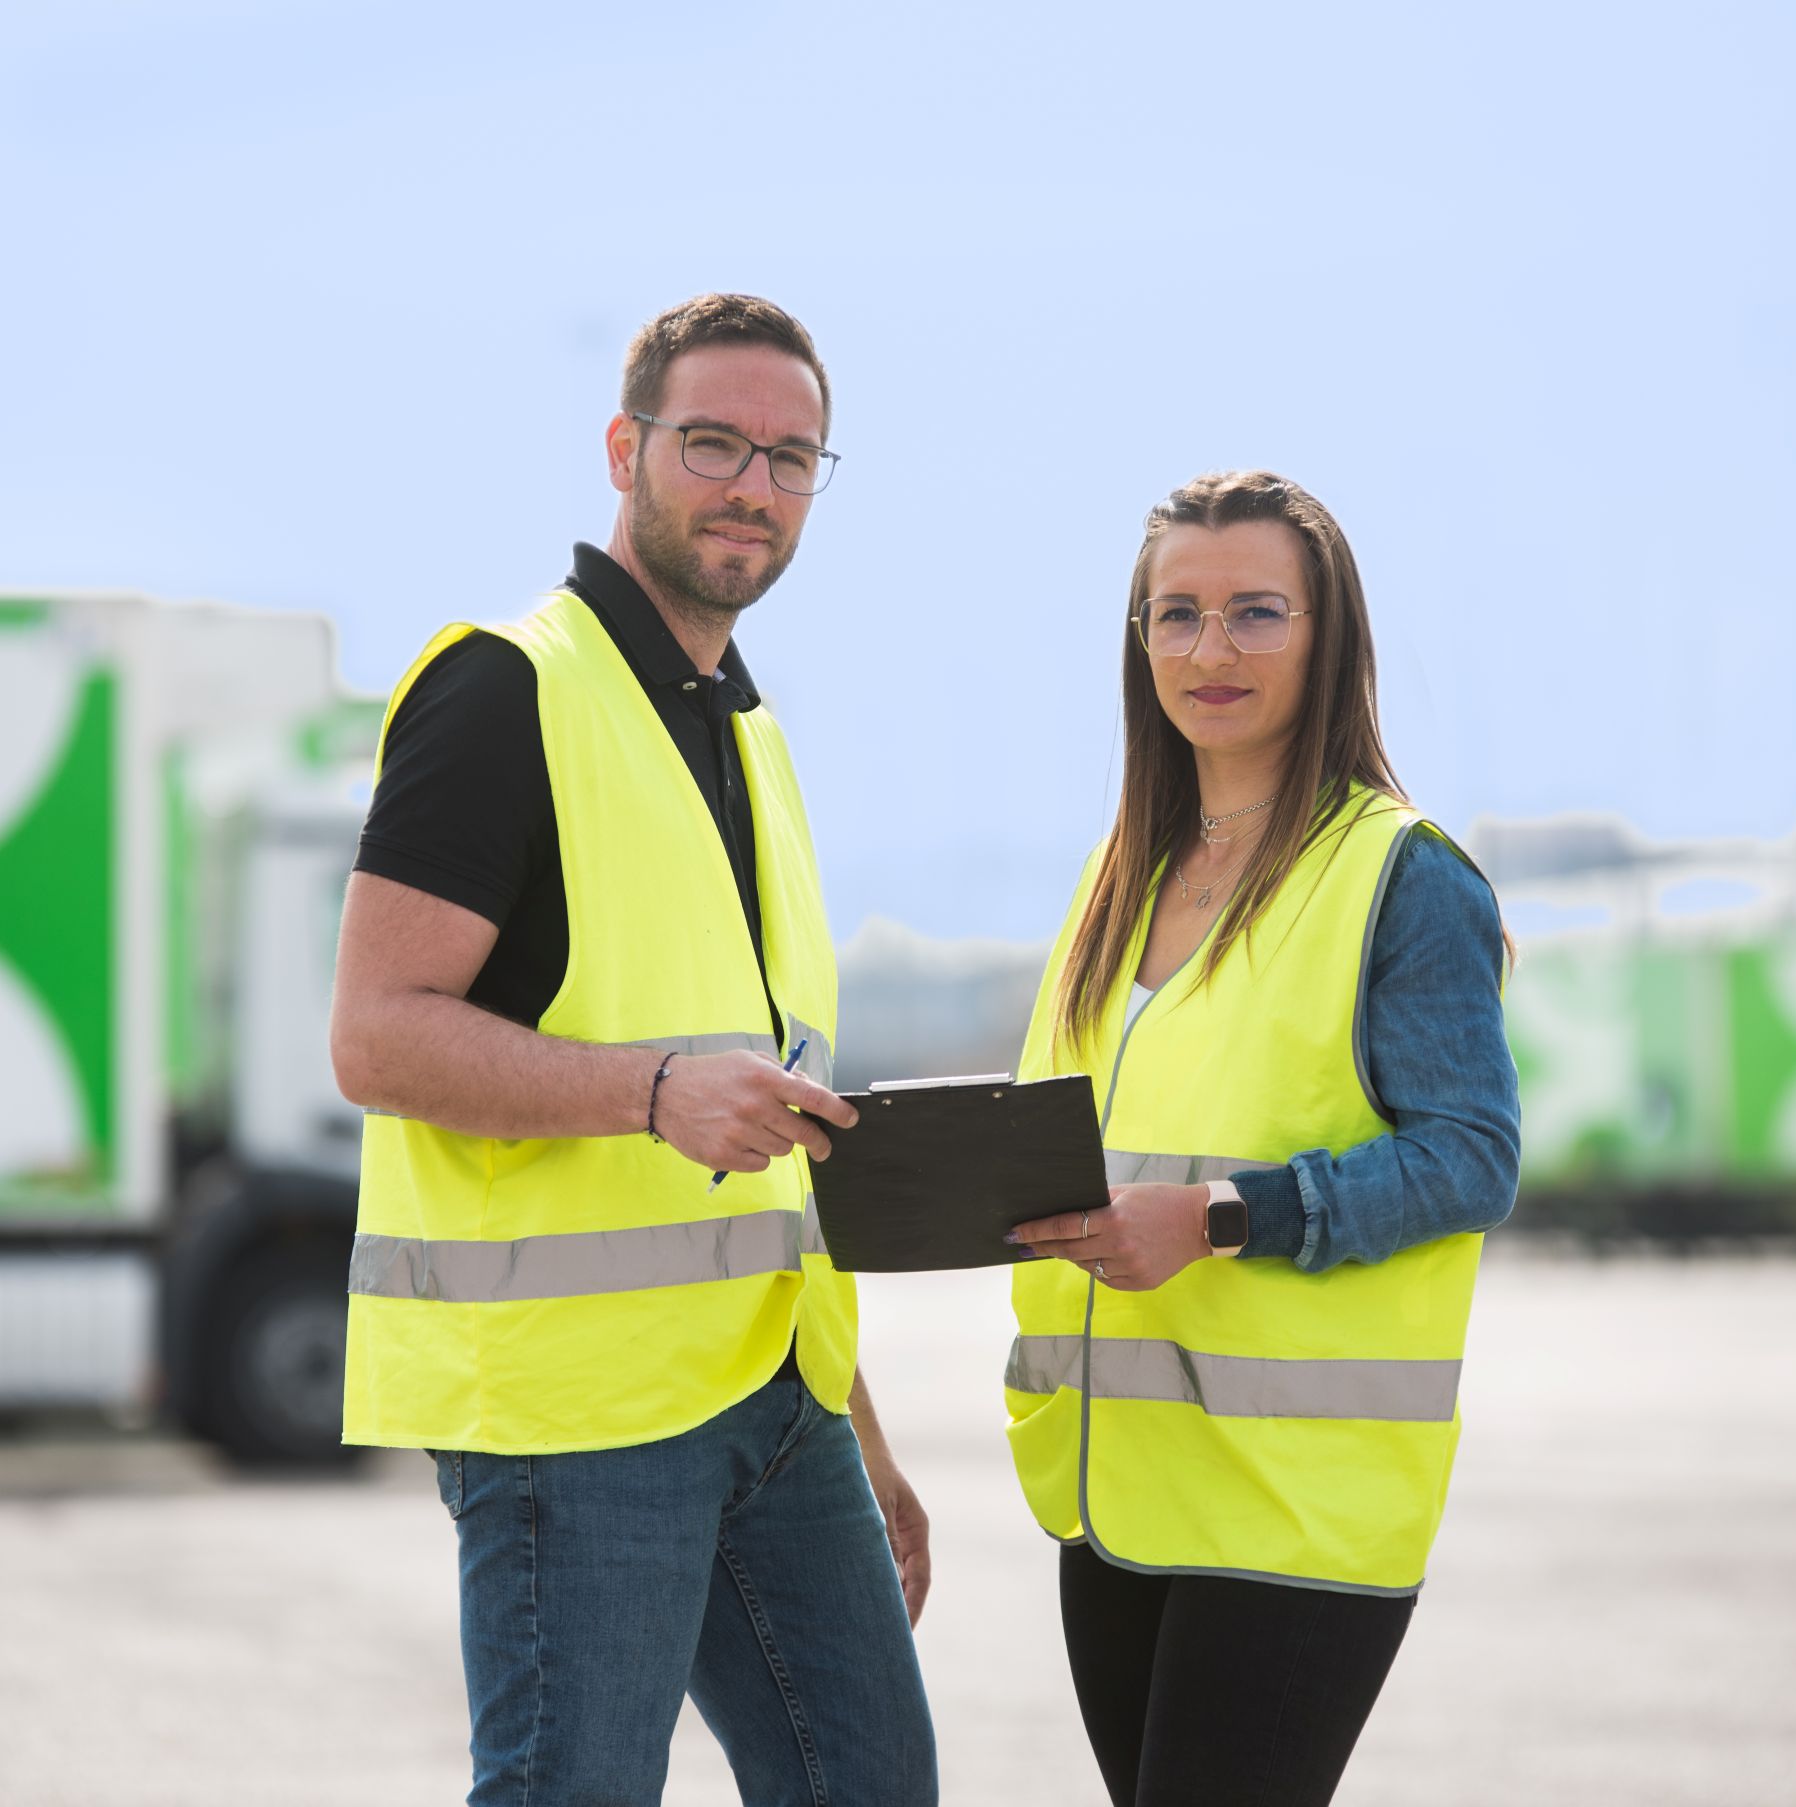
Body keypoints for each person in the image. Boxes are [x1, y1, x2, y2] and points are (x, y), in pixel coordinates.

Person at [328, 294, 936, 1806]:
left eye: (793, 458)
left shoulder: (748, 735)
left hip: (769, 1395)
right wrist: (653, 1092)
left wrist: (853, 1419)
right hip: (576, 1417)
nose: (753, 487)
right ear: (627, 447)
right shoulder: (503, 688)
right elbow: (376, 1034)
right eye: (714, 443)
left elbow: (775, 1113)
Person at [1001, 470, 1521, 1807]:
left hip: (1296, 1509)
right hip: (1121, 1494)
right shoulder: (1120, 877)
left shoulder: (1402, 876)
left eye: (1255, 612)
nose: (1210, 650)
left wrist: (1227, 1216)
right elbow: (1076, 1138)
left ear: (1327, 635)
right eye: (1175, 615)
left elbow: (1471, 1156)